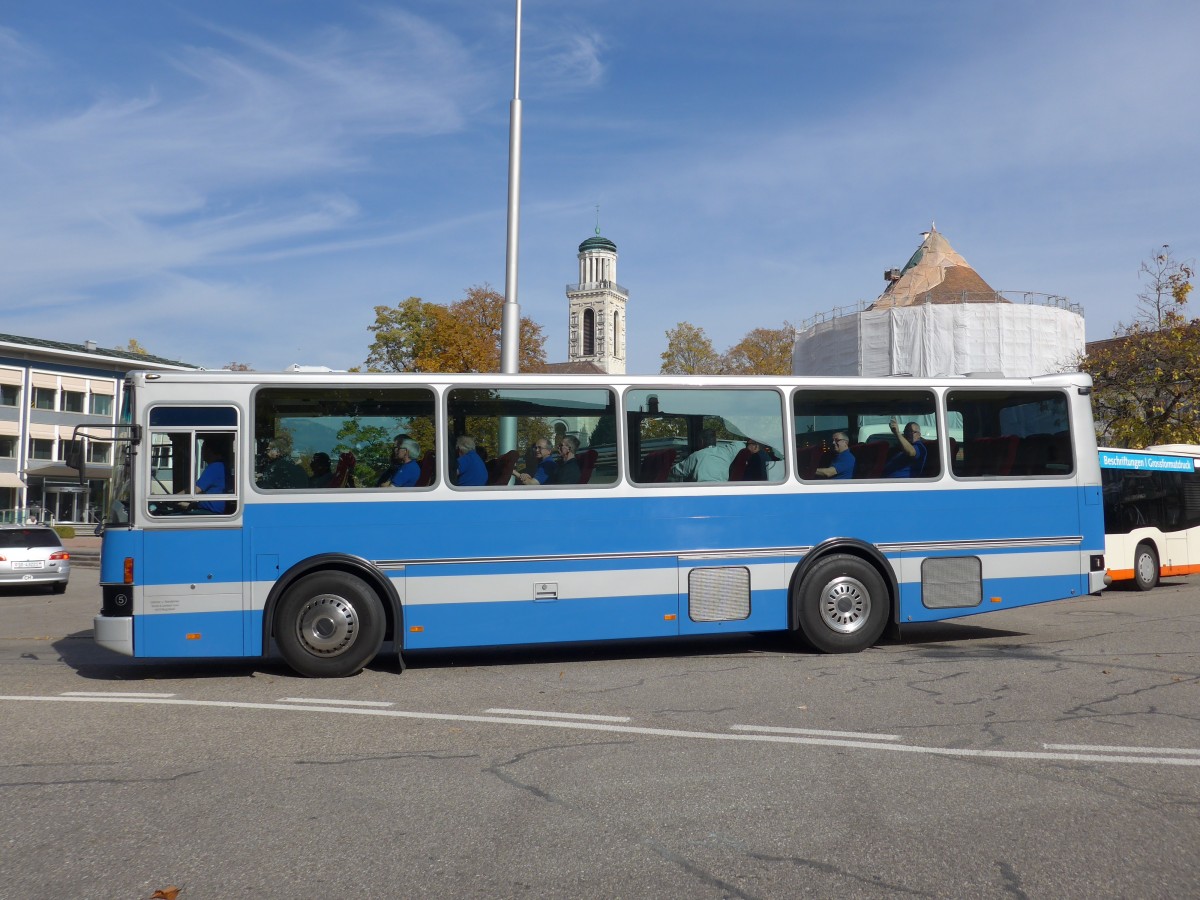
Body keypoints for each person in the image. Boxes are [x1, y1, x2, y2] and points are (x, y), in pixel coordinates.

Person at [671, 429, 738, 482]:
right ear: (715, 440)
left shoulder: (696, 456)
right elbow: (741, 445)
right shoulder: (727, 452)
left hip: (701, 493)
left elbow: (676, 471)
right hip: (723, 491)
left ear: (701, 441)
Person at [195, 440, 227, 512]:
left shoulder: (215, 467)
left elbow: (196, 489)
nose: (202, 453)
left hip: (211, 511)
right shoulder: (222, 466)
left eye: (203, 449)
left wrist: (176, 497)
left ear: (209, 451)